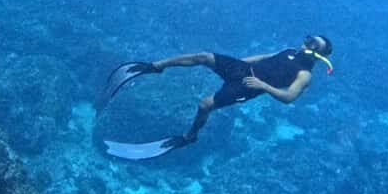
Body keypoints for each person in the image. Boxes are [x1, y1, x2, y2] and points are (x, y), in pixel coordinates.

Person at [98, 35, 334, 159]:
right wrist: (240, 62)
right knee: (204, 56)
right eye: (309, 38)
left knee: (205, 105)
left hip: (250, 87)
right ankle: (155, 66)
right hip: (242, 69)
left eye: (313, 44)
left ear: (319, 54)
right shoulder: (288, 52)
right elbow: (266, 56)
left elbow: (289, 97)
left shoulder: (305, 75)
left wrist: (262, 85)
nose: (307, 43)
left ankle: (189, 137)